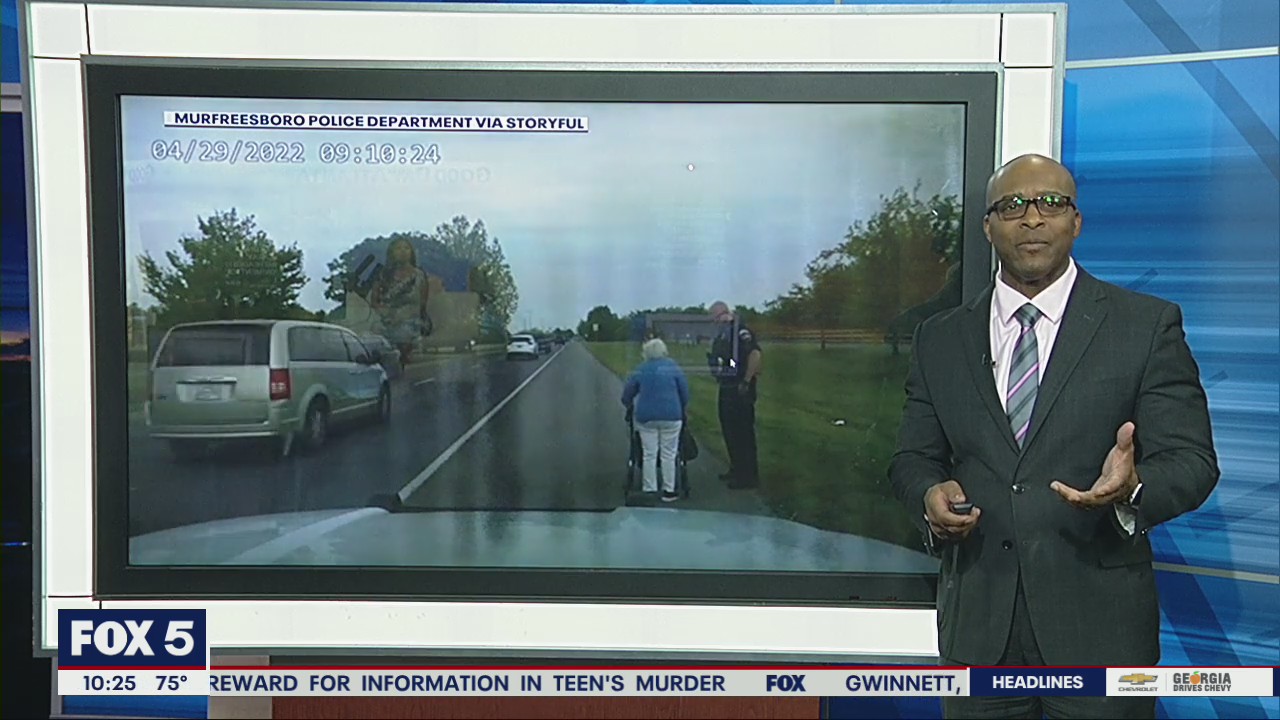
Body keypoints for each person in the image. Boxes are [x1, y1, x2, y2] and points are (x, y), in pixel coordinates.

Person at [889, 154, 1219, 720]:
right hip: (979, 631)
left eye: (1051, 203)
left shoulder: (1144, 325)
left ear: (1076, 222)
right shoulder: (939, 338)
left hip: (1101, 630)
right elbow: (911, 457)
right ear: (989, 226)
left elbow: (1192, 461)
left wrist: (1133, 487)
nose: (1033, 218)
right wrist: (927, 493)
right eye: (1013, 205)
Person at [621, 338, 690, 502]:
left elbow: (627, 394)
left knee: (649, 453)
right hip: (671, 416)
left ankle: (649, 489)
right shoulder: (673, 367)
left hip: (646, 416)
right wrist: (681, 406)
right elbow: (684, 392)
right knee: (669, 453)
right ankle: (669, 490)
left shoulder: (641, 369)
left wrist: (629, 404)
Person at [707, 301, 762, 489]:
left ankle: (748, 476)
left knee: (743, 433)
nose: (714, 322)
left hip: (740, 388)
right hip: (727, 387)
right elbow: (731, 361)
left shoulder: (741, 332)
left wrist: (746, 381)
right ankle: (736, 468)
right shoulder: (723, 335)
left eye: (715, 318)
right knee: (729, 431)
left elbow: (754, 355)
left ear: (724, 313)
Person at [369, 238, 431, 364]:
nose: (403, 251)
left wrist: (402, 317)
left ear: (411, 252)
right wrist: (386, 314)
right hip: (386, 321)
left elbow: (422, 303)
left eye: (406, 248)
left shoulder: (419, 275)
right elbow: (374, 301)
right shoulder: (383, 275)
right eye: (398, 248)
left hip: (412, 321)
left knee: (403, 333)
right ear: (391, 253)